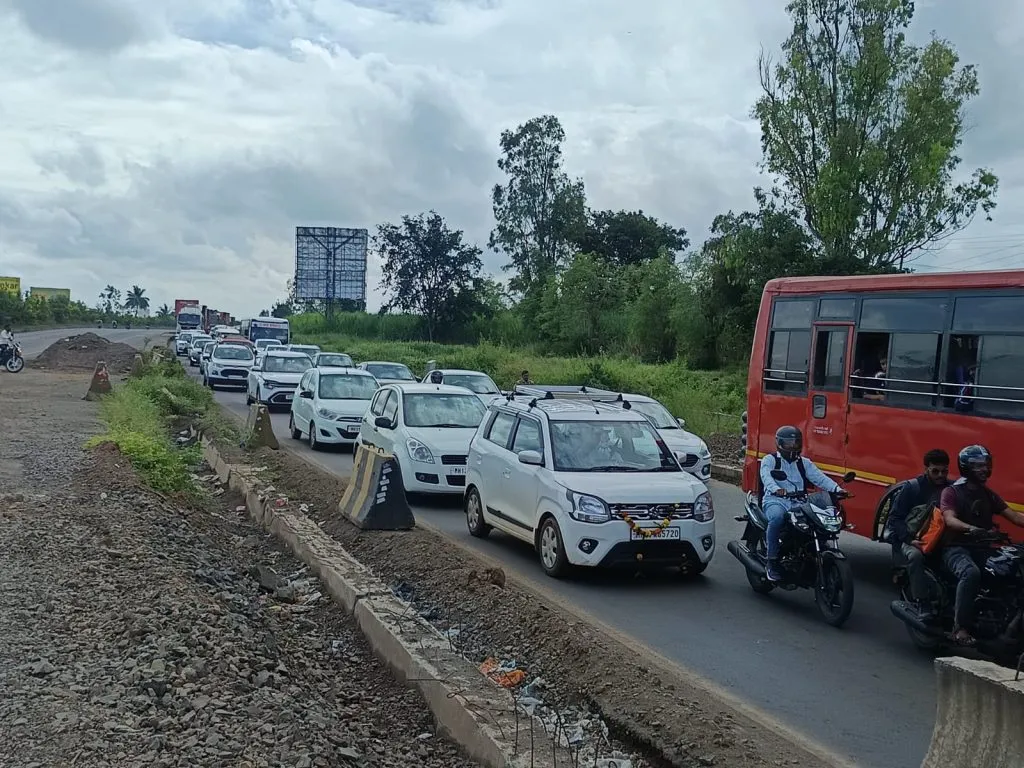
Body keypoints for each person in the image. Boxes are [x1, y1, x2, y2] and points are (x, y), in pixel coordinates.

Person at [940, 444, 1024, 646]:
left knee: (1011, 569)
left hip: (983, 548)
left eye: (985, 465)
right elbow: (949, 519)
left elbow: (1014, 516)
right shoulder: (952, 492)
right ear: (966, 468)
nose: (984, 469)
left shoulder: (988, 494)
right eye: (978, 466)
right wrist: (971, 529)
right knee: (971, 573)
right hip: (956, 547)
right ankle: (960, 628)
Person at [759, 426, 843, 581]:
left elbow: (819, 477)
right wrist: (777, 489)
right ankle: (772, 561)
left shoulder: (804, 463)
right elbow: (766, 477)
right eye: (789, 443)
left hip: (800, 502)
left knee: (816, 522)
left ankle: (811, 553)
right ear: (779, 443)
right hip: (776, 500)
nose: (793, 446)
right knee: (777, 518)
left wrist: (837, 489)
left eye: (796, 442)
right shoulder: (770, 460)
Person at [888, 449, 951, 614]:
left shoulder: (951, 490)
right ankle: (922, 602)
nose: (940, 475)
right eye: (935, 471)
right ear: (926, 469)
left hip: (939, 541)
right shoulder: (912, 488)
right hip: (911, 540)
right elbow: (894, 519)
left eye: (944, 471)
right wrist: (909, 539)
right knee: (915, 557)